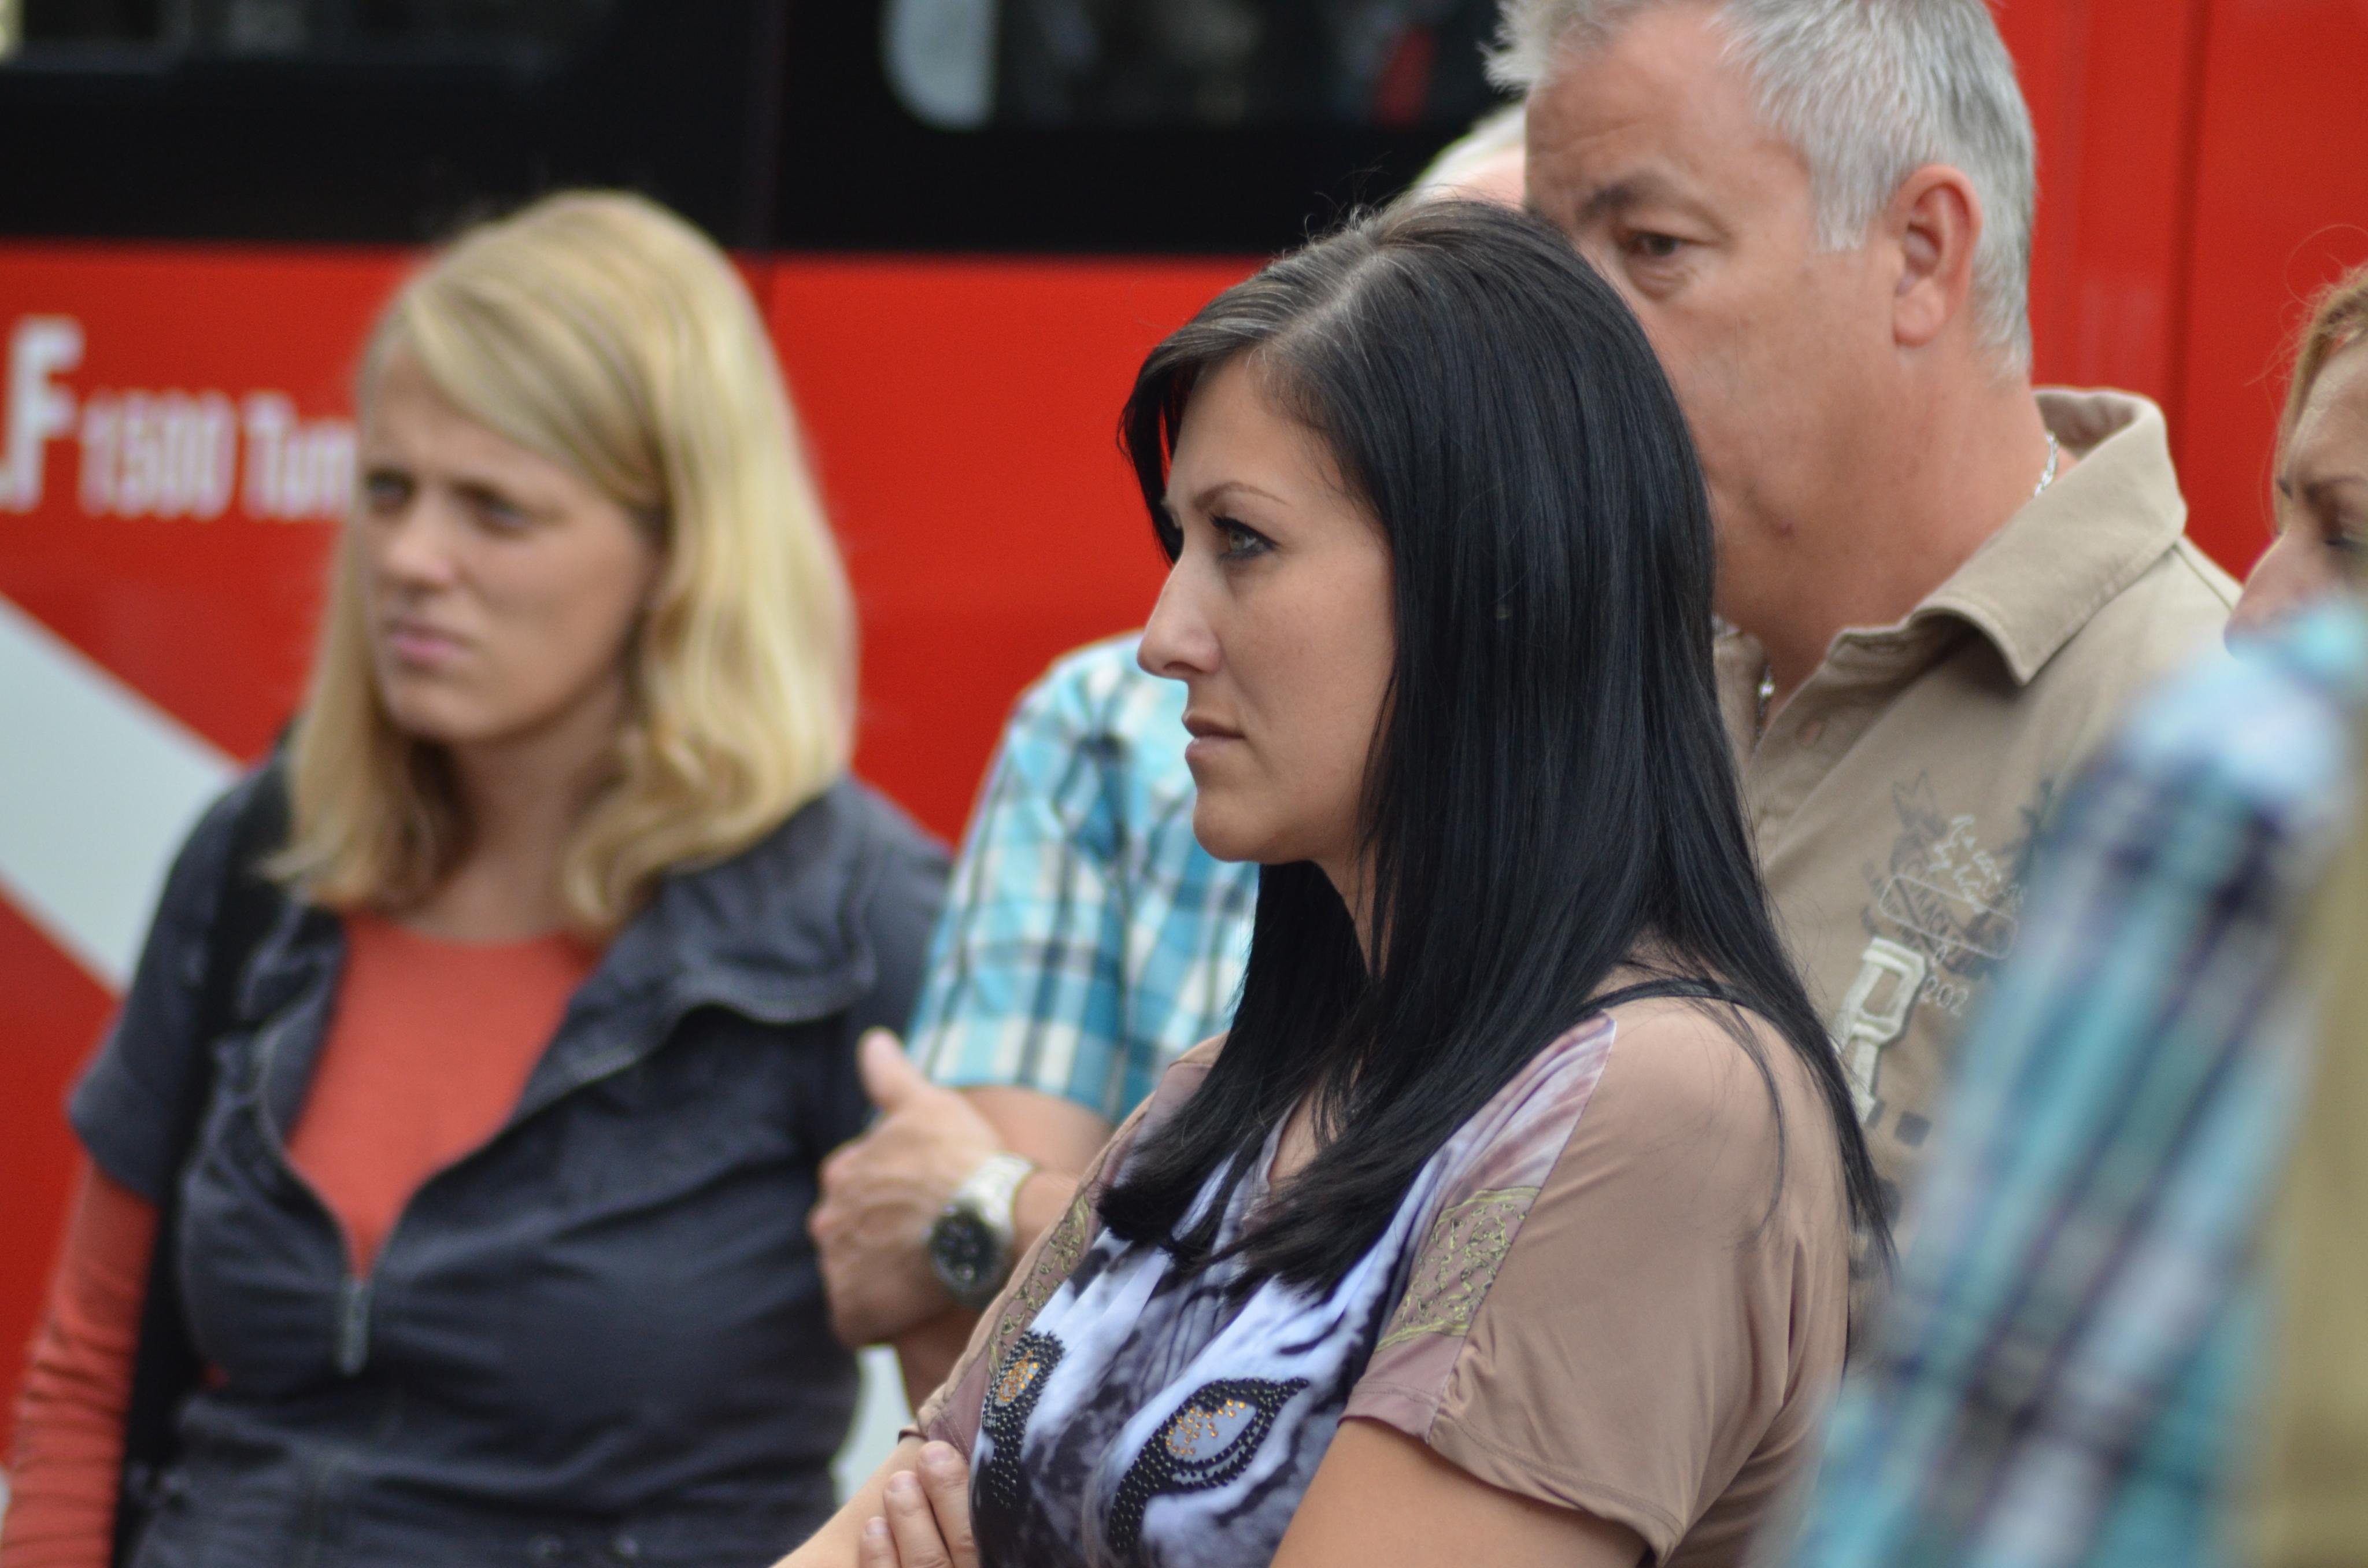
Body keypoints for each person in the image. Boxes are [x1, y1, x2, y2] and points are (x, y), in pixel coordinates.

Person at [787, 198, 1881, 1568]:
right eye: (1179, 545)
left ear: (1485, 580)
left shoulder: (1657, 1107)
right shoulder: (1209, 1102)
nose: (1162, 635)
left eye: (1241, 541)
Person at [0, 191, 947, 1568]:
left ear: (679, 554)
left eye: (496, 510)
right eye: (388, 490)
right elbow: (90, 1371)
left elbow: (988, 1434)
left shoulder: (856, 917)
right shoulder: (267, 851)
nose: (409, 560)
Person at [808, 99, 1529, 1405]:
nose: (1163, 642)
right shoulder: (1105, 742)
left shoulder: (1658, 1057)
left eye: (1244, 542)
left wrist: (996, 1204)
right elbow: (961, 1367)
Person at [1499, 0, 2237, 1219]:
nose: (1561, 344)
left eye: (1652, 247)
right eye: (1547, 258)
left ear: (1920, 255)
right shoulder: (1582, 653)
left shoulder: (2204, 742)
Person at [1782, 261, 2368, 1568]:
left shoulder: (2233, 789)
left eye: (2354, 541)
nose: (2256, 612)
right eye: (2284, 513)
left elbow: (1968, 1493)